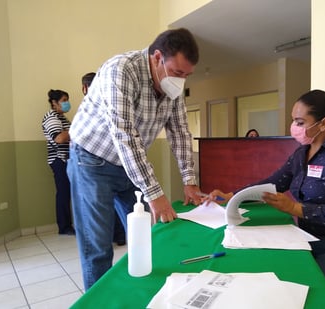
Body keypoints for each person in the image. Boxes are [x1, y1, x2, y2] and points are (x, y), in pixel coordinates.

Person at [207, 90, 325, 307]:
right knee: (271, 282)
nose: (294, 126)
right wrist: (234, 195)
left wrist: (297, 209)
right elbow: (274, 182)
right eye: (294, 120)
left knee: (294, 299)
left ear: (323, 124)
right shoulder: (302, 153)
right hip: (312, 243)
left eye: (300, 121)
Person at [67, 28, 204, 290]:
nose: (181, 81)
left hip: (126, 166)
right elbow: (125, 136)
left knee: (144, 235)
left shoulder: (171, 89)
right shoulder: (120, 70)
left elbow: (180, 132)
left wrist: (189, 180)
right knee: (97, 246)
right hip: (91, 162)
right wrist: (155, 193)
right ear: (156, 58)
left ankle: (141, 290)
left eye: (187, 75)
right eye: (177, 72)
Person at [81, 71, 126, 246]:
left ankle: (115, 237)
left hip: (96, 164)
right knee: (117, 207)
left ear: (84, 88)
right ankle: (119, 236)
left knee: (99, 215)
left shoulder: (87, 108)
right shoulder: (114, 100)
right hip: (117, 160)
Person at [42, 89, 75, 235]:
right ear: (54, 103)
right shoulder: (51, 117)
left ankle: (68, 225)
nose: (67, 103)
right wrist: (76, 129)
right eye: (63, 100)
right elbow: (59, 138)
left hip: (67, 160)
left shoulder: (62, 118)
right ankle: (64, 227)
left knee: (68, 192)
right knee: (63, 193)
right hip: (59, 160)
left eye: (67, 100)